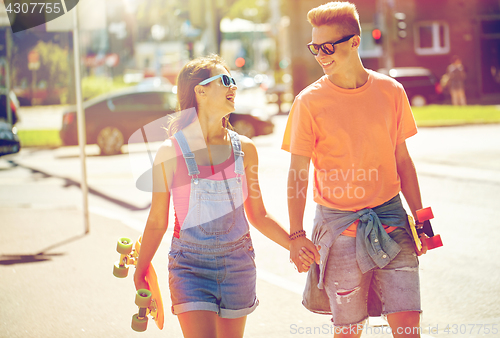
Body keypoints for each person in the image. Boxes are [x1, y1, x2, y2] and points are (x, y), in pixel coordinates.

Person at [133, 54, 312, 338]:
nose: (234, 87)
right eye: (225, 80)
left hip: (238, 266)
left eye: (234, 81)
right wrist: (141, 269)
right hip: (189, 267)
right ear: (200, 91)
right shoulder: (170, 152)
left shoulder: (246, 150)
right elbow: (157, 220)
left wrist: (294, 243)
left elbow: (258, 214)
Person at [282, 2, 429, 337]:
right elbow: (298, 173)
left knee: (408, 326)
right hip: (339, 227)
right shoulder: (308, 102)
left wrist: (422, 216)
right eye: (315, 47)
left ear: (354, 41)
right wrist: (295, 234)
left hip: (392, 220)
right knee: (348, 330)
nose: (321, 55)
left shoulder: (391, 91)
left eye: (328, 47)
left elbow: (402, 159)